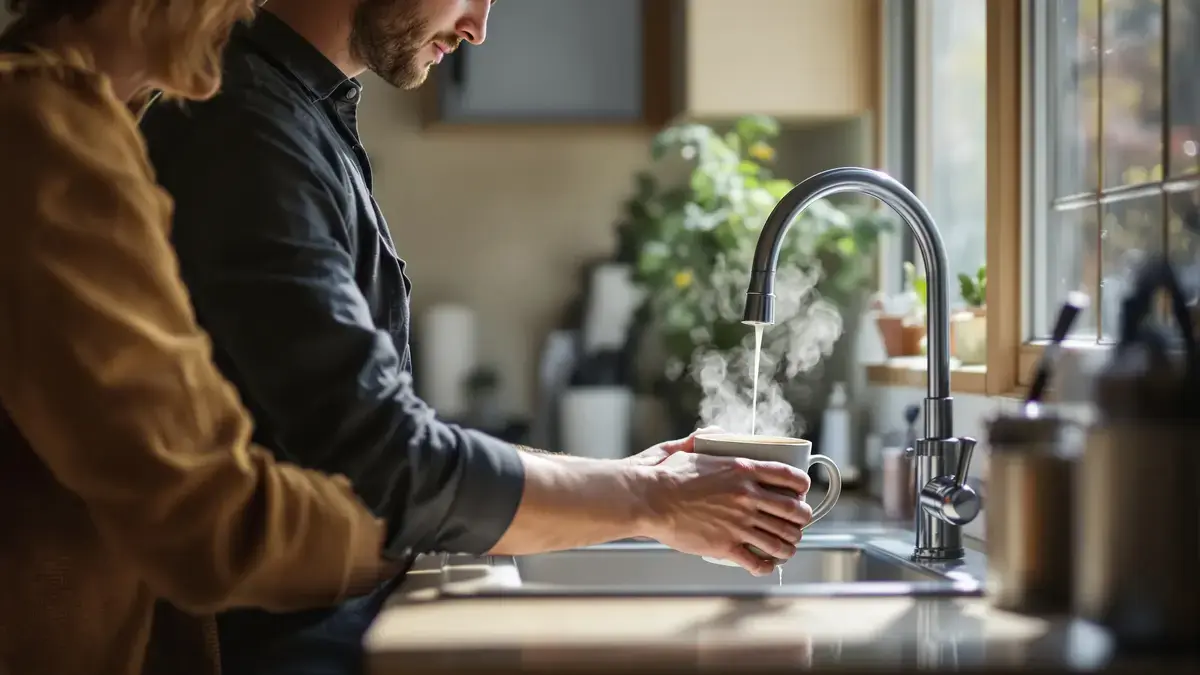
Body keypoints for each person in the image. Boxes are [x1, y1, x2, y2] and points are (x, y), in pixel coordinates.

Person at [140, 1, 817, 672]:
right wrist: (651, 499)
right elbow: (383, 463)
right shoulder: (248, 130)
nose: (478, 28)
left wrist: (640, 481)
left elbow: (384, 438)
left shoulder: (295, 113)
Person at [0, 1, 409, 674]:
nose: (252, 7)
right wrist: (430, 519)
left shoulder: (90, 122)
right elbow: (211, 517)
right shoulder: (40, 133)